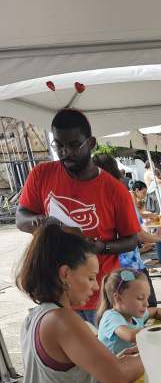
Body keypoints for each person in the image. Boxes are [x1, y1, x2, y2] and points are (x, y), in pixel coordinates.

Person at [15, 223, 144, 383]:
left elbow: (65, 377)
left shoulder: (38, 315)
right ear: (65, 274)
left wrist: (112, 361)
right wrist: (160, 351)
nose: (96, 287)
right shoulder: (62, 320)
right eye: (89, 277)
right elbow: (119, 375)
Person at [16, 108, 140, 324]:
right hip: (55, 295)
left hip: (100, 298)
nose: (65, 153)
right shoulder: (41, 174)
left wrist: (101, 247)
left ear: (90, 143)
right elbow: (21, 218)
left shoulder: (114, 190)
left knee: (106, 354)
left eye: (74, 145)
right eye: (59, 145)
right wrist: (43, 223)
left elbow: (132, 240)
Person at [92, 156, 160, 312]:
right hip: (131, 268)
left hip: (110, 271)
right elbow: (137, 234)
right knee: (146, 310)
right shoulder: (120, 193)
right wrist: (159, 238)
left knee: (120, 311)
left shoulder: (96, 198)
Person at [97, 269, 161, 354]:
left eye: (147, 298)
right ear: (118, 298)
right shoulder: (111, 317)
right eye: (140, 298)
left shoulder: (133, 314)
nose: (147, 303)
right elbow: (131, 336)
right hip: (114, 365)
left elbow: (157, 310)